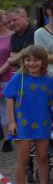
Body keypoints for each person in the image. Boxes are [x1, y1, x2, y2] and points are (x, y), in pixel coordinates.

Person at [5, 45, 53, 184]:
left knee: (43, 156)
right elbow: (9, 98)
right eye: (28, 60)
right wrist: (12, 122)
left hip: (42, 122)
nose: (32, 63)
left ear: (43, 61)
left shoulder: (48, 80)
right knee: (23, 158)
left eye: (36, 60)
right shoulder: (19, 78)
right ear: (23, 61)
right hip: (22, 123)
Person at [0, 11, 14, 151]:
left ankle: (9, 137)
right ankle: (5, 137)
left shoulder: (12, 36)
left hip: (7, 77)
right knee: (1, 109)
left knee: (8, 107)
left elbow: (12, 58)